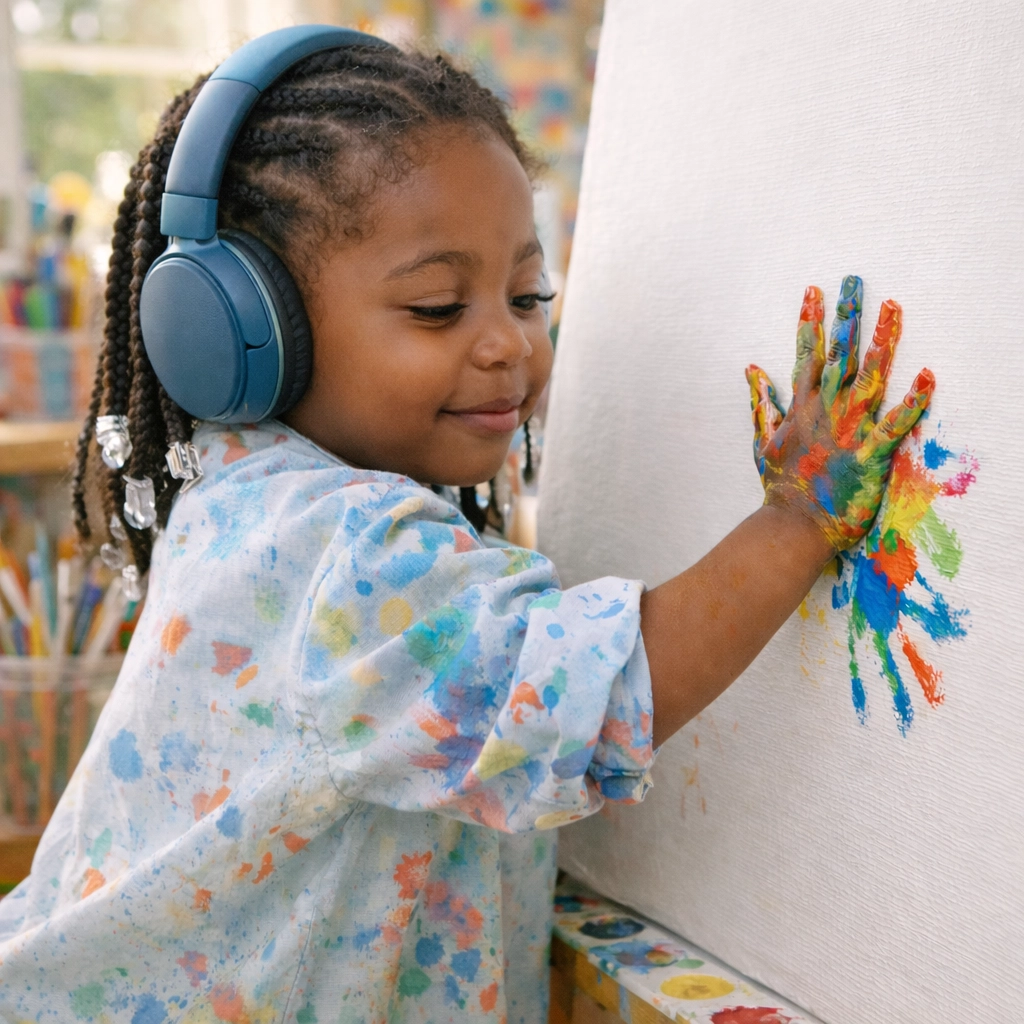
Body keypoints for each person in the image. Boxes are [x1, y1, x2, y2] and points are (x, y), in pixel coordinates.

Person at [0, 34, 932, 1024]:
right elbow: (606, 690)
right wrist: (796, 516)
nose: (507, 344)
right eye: (439, 307)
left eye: (527, 296)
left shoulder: (262, 506)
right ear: (243, 329)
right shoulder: (336, 552)